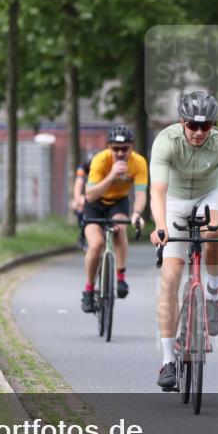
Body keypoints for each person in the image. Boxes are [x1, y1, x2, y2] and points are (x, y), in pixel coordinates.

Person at [149, 91, 218, 389]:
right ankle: (167, 361)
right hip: (175, 201)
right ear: (182, 122)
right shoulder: (166, 141)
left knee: (215, 230)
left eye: (206, 126)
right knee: (170, 279)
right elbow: (158, 191)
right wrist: (161, 227)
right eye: (193, 126)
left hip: (209, 195)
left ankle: (214, 292)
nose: (200, 133)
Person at [81, 126, 147, 313]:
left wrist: (136, 214)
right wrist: (112, 175)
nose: (119, 153)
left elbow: (141, 194)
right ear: (109, 147)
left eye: (124, 148)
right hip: (95, 204)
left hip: (119, 203)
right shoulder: (100, 160)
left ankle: (120, 276)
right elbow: (90, 195)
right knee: (96, 244)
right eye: (115, 148)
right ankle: (88, 289)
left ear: (131, 148)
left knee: (120, 227)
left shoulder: (139, 163)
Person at [70, 154, 94, 251]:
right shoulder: (83, 168)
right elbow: (78, 184)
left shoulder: (104, 167)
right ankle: (82, 236)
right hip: (88, 195)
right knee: (80, 206)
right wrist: (77, 200)